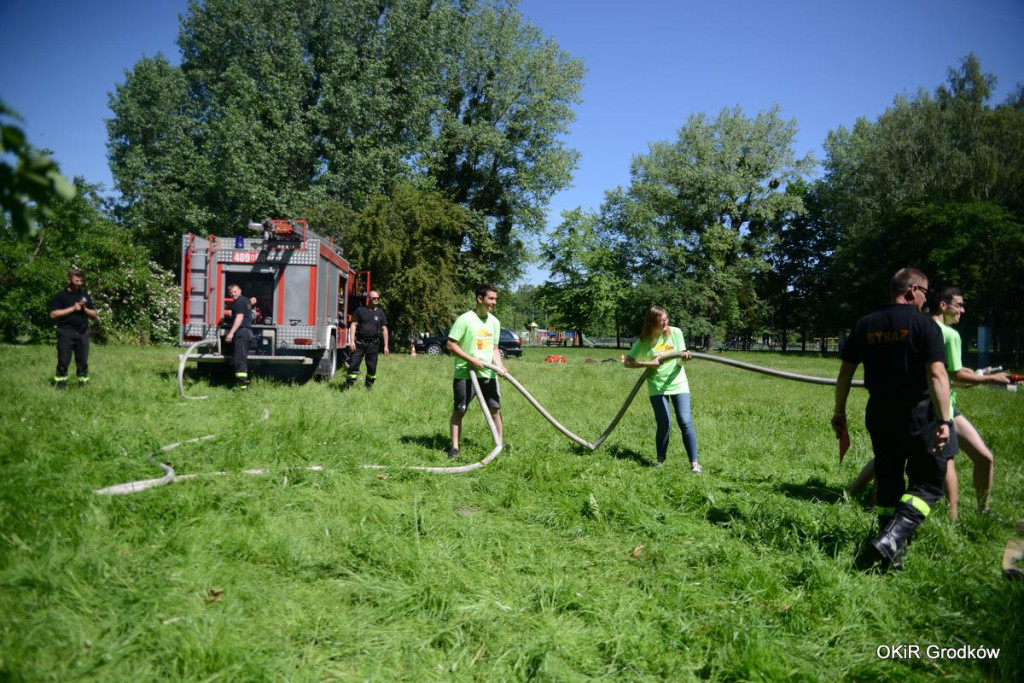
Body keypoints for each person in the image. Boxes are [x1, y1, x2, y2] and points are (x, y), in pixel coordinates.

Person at [847, 286, 1010, 519]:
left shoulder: (916, 325)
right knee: (963, 459)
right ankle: (963, 515)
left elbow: (948, 370)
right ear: (943, 305)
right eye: (959, 305)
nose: (962, 310)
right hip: (938, 408)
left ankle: (858, 495)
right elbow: (952, 376)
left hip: (907, 404)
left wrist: (977, 374)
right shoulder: (945, 333)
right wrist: (991, 378)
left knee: (889, 456)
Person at [832, 267, 956, 570]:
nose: (926, 301)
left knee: (888, 478)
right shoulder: (925, 326)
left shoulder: (865, 325)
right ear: (912, 290)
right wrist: (945, 421)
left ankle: (891, 552)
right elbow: (938, 374)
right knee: (928, 484)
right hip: (917, 415)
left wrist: (839, 412)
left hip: (879, 413)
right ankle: (894, 537)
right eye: (925, 293)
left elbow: (845, 374)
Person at [624, 306, 701, 472]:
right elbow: (627, 362)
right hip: (657, 386)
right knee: (664, 423)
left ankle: (694, 464)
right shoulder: (644, 341)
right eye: (661, 321)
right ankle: (660, 461)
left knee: (685, 421)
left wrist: (685, 358)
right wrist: (648, 363)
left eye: (666, 319)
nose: (665, 323)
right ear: (652, 323)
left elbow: (679, 361)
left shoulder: (676, 332)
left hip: (678, 383)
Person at [446, 284, 507, 460]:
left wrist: (500, 366)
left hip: (488, 374)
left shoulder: (494, 322)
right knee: (460, 410)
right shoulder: (465, 319)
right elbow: (450, 344)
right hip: (465, 374)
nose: (494, 302)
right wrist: (471, 360)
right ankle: (455, 448)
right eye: (491, 298)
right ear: (480, 299)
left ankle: (499, 445)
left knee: (495, 408)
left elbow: (494, 348)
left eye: (495, 299)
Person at [49, 268, 98, 390]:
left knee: (82, 361)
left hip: (83, 332)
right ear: (69, 279)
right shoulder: (61, 296)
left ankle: (83, 385)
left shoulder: (85, 295)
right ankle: (60, 385)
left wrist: (85, 309)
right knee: (63, 361)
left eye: (81, 281)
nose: (79, 283)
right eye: (77, 281)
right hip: (66, 332)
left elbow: (94, 315)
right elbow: (53, 314)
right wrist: (72, 308)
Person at [344, 290, 389, 390]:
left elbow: (384, 329)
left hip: (373, 343)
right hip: (360, 342)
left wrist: (386, 346)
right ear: (368, 299)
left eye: (378, 298)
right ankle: (348, 387)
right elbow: (353, 325)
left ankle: (369, 387)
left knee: (372, 367)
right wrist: (352, 341)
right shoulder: (360, 311)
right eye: (374, 298)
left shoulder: (380, 313)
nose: (376, 300)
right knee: (353, 365)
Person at [224, 283, 253, 390]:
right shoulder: (246, 300)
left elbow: (239, 317)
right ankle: (243, 383)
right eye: (231, 293)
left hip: (241, 332)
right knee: (243, 358)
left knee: (239, 359)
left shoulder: (238, 302)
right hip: (248, 332)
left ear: (240, 291)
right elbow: (253, 301)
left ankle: (243, 386)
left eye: (235, 292)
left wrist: (231, 333)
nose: (233, 294)